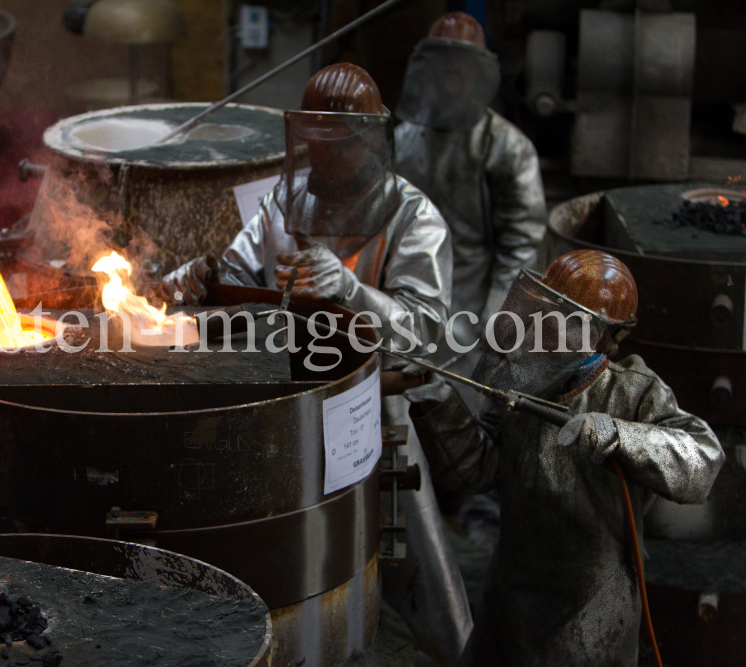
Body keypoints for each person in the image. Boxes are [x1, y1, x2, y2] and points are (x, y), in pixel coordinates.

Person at [164, 63, 474, 667]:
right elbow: (237, 276)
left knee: (413, 561)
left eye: (339, 144)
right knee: (293, 555)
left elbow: (428, 334)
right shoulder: (285, 198)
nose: (324, 159)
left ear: (369, 140)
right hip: (291, 398)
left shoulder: (414, 217)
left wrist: (349, 291)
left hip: (377, 402)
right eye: (315, 143)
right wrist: (200, 281)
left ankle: (449, 650)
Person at [405, 250, 725, 666]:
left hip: (590, 611)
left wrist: (618, 434)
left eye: (572, 321)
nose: (551, 327)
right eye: (550, 310)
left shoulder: (632, 392)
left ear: (613, 336)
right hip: (511, 601)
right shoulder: (520, 375)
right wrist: (439, 404)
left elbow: (703, 457)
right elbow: (479, 471)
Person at [393, 11, 546, 345]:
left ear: (477, 74)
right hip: (408, 302)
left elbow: (521, 244)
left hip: (473, 309)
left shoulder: (507, 147)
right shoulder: (403, 141)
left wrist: (498, 320)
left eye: (458, 68)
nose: (448, 79)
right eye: (441, 66)